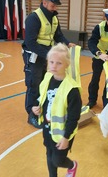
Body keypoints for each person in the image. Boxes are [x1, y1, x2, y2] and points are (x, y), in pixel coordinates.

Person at [22, 0, 76, 128]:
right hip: (34, 56)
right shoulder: (34, 18)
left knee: (45, 84)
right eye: (53, 5)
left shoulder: (54, 17)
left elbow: (58, 36)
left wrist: (68, 43)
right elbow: (30, 42)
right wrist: (49, 55)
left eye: (56, 5)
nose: (55, 8)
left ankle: (42, 110)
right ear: (44, 2)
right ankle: (31, 114)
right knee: (34, 84)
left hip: (48, 56)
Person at [31, 43, 82, 177]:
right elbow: (42, 97)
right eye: (51, 62)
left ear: (66, 65)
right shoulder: (47, 77)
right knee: (49, 155)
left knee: (57, 160)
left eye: (59, 63)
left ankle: (72, 165)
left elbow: (73, 117)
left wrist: (66, 137)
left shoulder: (72, 89)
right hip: (48, 127)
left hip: (63, 132)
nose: (53, 66)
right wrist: (36, 107)